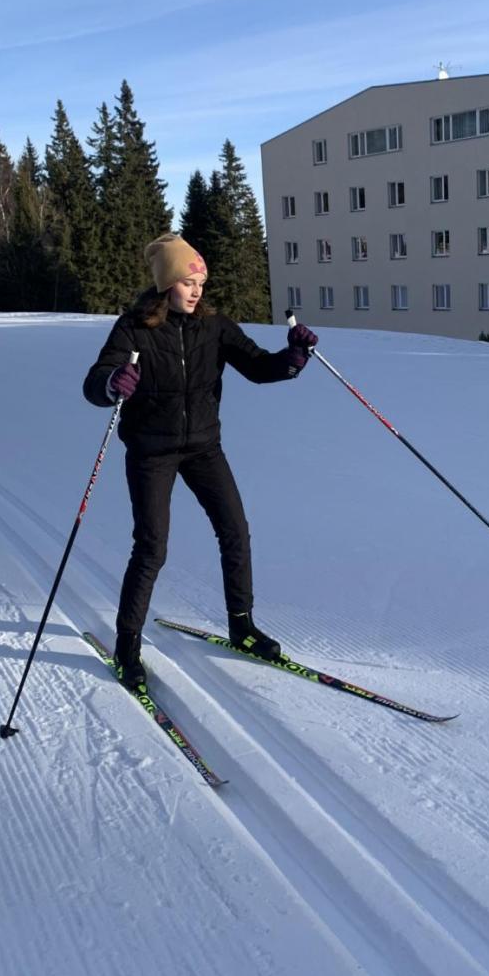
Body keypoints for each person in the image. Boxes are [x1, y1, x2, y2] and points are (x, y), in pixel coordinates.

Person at [83, 233, 318, 689]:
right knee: (152, 547)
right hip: (152, 451)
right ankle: (127, 644)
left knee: (235, 530)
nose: (197, 291)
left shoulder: (215, 326)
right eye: (189, 282)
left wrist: (294, 357)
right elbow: (93, 383)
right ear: (167, 283)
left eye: (202, 283)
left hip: (203, 446)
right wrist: (114, 381)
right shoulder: (134, 329)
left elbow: (259, 367)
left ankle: (242, 625)